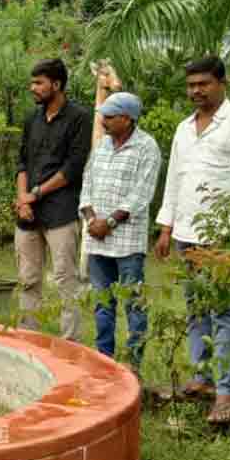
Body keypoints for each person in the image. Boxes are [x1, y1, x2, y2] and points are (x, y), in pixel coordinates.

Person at [154, 56, 230, 424]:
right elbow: (176, 177)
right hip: (187, 232)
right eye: (190, 85)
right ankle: (202, 377)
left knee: (223, 311)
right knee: (196, 308)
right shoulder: (185, 127)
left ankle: (227, 390)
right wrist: (166, 226)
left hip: (225, 233)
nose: (196, 91)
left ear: (222, 83)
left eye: (203, 84)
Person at [78, 92, 162, 373]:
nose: (103, 121)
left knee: (133, 304)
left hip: (126, 242)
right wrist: (91, 217)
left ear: (128, 119)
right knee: (103, 305)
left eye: (110, 117)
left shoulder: (147, 147)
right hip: (96, 239)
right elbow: (87, 181)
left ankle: (133, 365)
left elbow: (142, 193)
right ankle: (105, 362)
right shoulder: (101, 145)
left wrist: (109, 222)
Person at [15, 58, 91, 340]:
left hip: (61, 210)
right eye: (32, 82)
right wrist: (23, 200)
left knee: (65, 280)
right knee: (28, 279)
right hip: (27, 214)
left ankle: (71, 344)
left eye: (38, 83)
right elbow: (22, 163)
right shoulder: (31, 119)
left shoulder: (79, 117)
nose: (32, 87)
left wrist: (34, 195)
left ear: (56, 84)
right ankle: (28, 339)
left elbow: (72, 169)